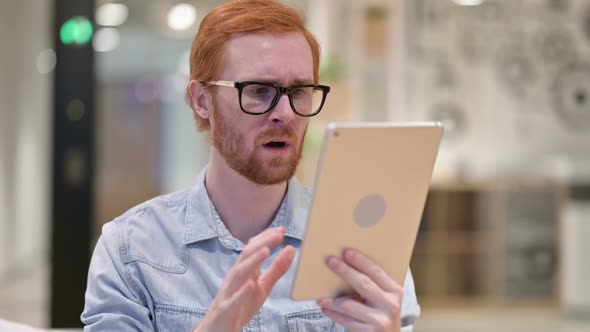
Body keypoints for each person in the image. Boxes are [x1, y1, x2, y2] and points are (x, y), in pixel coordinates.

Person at [81, 0, 420, 331]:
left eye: (300, 91)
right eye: (259, 90)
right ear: (202, 101)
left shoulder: (364, 247)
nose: (285, 113)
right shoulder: (131, 251)